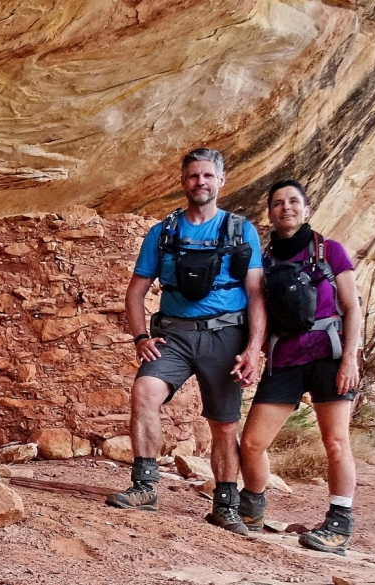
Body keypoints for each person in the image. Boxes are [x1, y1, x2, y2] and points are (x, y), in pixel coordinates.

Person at [106, 147, 266, 537]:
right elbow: (135, 292)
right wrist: (141, 336)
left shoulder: (239, 230)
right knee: (144, 391)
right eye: (194, 176)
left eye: (208, 176)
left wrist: (252, 349)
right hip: (173, 335)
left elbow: (257, 293)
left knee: (224, 425)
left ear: (221, 181)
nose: (201, 183)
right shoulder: (163, 233)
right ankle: (145, 487)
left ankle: (225, 505)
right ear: (184, 182)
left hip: (225, 336)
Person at [238, 179, 362, 555]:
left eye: (294, 201)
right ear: (271, 213)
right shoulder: (266, 260)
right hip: (286, 359)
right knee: (252, 442)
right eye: (278, 203)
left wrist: (351, 358)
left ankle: (339, 522)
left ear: (307, 209)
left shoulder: (331, 251)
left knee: (336, 442)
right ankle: (253, 509)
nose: (286, 207)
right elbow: (258, 311)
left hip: (329, 354)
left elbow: (353, 306)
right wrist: (253, 354)